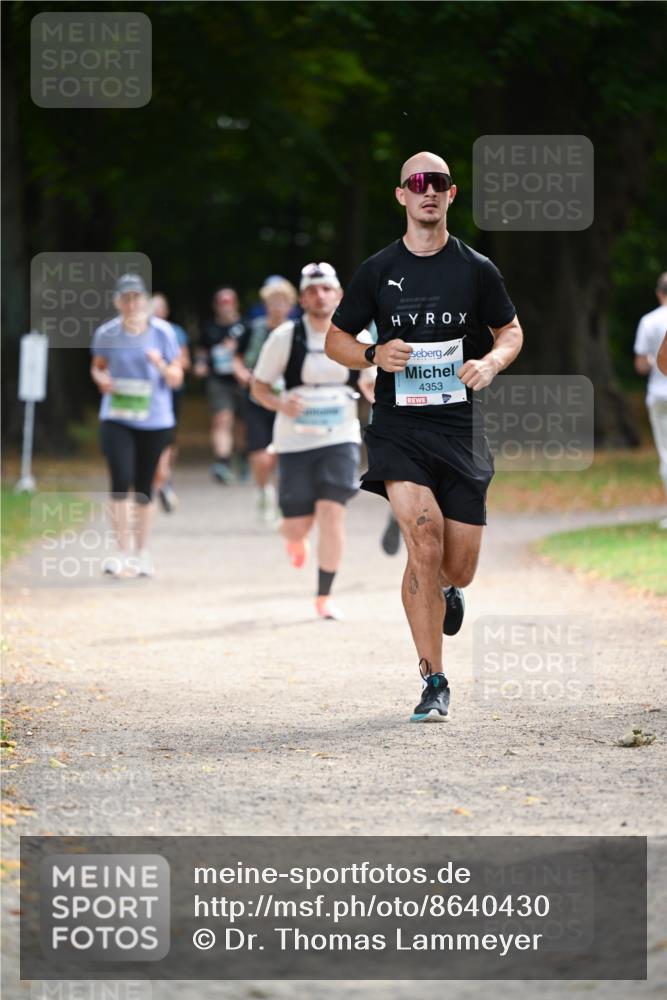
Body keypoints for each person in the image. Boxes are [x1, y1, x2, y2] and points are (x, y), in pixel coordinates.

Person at [325, 151, 523, 721]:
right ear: (402, 196)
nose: (427, 191)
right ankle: (433, 678)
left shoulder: (476, 268)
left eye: (437, 183)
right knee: (424, 537)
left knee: (456, 567)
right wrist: (371, 353)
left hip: (459, 429)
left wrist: (490, 363)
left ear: (451, 194)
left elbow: (509, 331)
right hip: (399, 428)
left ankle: (448, 590)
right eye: (418, 183)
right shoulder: (376, 269)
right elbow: (335, 340)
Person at [251, 262, 374, 620]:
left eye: (326, 289)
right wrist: (280, 403)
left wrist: (372, 390)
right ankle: (292, 535)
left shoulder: (358, 338)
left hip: (340, 437)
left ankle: (324, 596)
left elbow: (370, 380)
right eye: (312, 290)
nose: (320, 296)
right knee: (297, 524)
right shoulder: (285, 338)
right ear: (302, 299)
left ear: (339, 296)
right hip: (294, 442)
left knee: (333, 512)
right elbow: (258, 386)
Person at [90, 274, 183, 577]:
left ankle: (142, 552)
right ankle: (121, 552)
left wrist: (159, 364)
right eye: (125, 298)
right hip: (117, 417)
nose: (131, 303)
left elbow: (177, 377)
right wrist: (102, 380)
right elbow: (98, 367)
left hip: (155, 420)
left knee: (145, 485)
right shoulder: (107, 333)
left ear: (145, 300)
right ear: (117, 302)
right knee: (120, 479)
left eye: (136, 297)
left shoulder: (163, 333)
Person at [233, 277, 298, 521]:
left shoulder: (297, 331)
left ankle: (283, 500)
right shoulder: (254, 329)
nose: (278, 306)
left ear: (291, 304)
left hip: (287, 402)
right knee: (262, 457)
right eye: (273, 301)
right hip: (257, 400)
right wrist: (241, 373)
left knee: (284, 455)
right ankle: (263, 490)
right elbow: (237, 357)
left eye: (283, 301)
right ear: (265, 304)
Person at [194, 287, 249, 484]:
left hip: (242, 380)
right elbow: (202, 350)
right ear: (216, 306)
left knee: (242, 425)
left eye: (229, 303)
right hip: (218, 380)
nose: (225, 307)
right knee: (222, 419)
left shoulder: (245, 326)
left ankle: (243, 459)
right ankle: (222, 463)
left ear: (235, 304)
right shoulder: (209, 328)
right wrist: (200, 363)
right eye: (221, 303)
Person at [150, 293, 191, 512]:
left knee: (167, 439)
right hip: (143, 395)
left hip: (168, 392)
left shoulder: (175, 332)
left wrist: (165, 365)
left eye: (159, 308)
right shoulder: (137, 332)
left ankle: (164, 479)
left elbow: (185, 361)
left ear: (165, 311)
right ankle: (159, 480)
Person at [634, 272, 667, 528]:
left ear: (659, 293)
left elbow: (642, 364)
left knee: (666, 455)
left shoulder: (649, 321)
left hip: (659, 394)